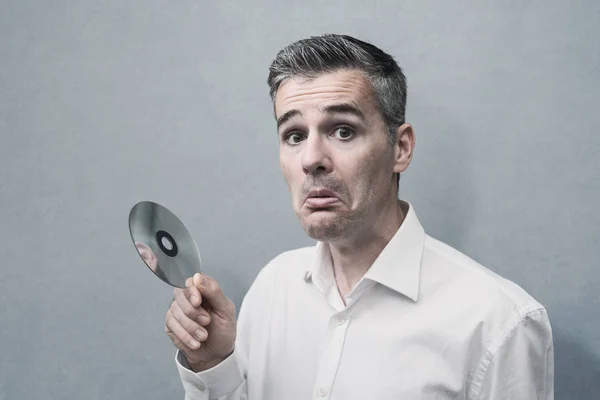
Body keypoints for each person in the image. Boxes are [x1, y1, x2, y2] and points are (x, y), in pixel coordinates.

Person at [163, 34, 554, 399]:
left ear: (400, 148)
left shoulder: (498, 323)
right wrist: (213, 363)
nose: (312, 159)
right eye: (295, 135)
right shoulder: (273, 288)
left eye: (343, 131)